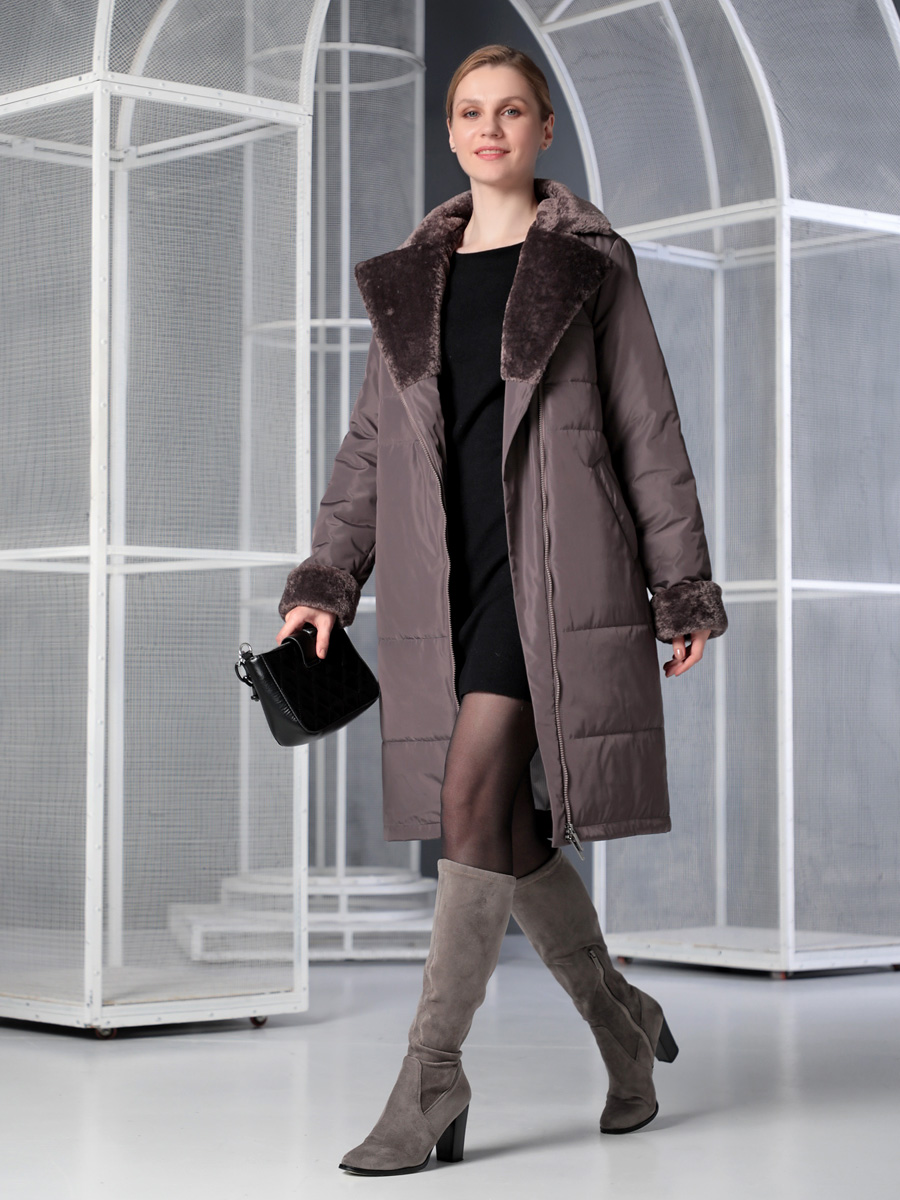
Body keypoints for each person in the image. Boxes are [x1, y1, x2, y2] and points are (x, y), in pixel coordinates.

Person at [276, 44, 728, 1177]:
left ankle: (431, 1073)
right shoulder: (409, 282)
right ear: (452, 133)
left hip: (560, 578)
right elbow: (370, 447)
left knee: (471, 792)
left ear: (543, 130)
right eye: (471, 111)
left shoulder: (590, 265)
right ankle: (622, 1024)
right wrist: (327, 579)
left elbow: (647, 425)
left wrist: (679, 584)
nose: (491, 127)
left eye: (512, 110)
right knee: (505, 829)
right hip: (446, 577)